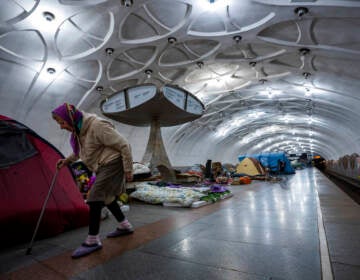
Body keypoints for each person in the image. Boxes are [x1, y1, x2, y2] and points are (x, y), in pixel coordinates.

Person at [52, 103, 134, 259]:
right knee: (108, 198)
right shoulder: (79, 131)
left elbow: (124, 144)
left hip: (113, 162)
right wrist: (66, 161)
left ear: (70, 118)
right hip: (102, 165)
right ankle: (125, 226)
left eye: (62, 122)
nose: (61, 127)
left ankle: (93, 240)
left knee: (94, 196)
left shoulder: (97, 126)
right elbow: (80, 153)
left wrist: (128, 169)